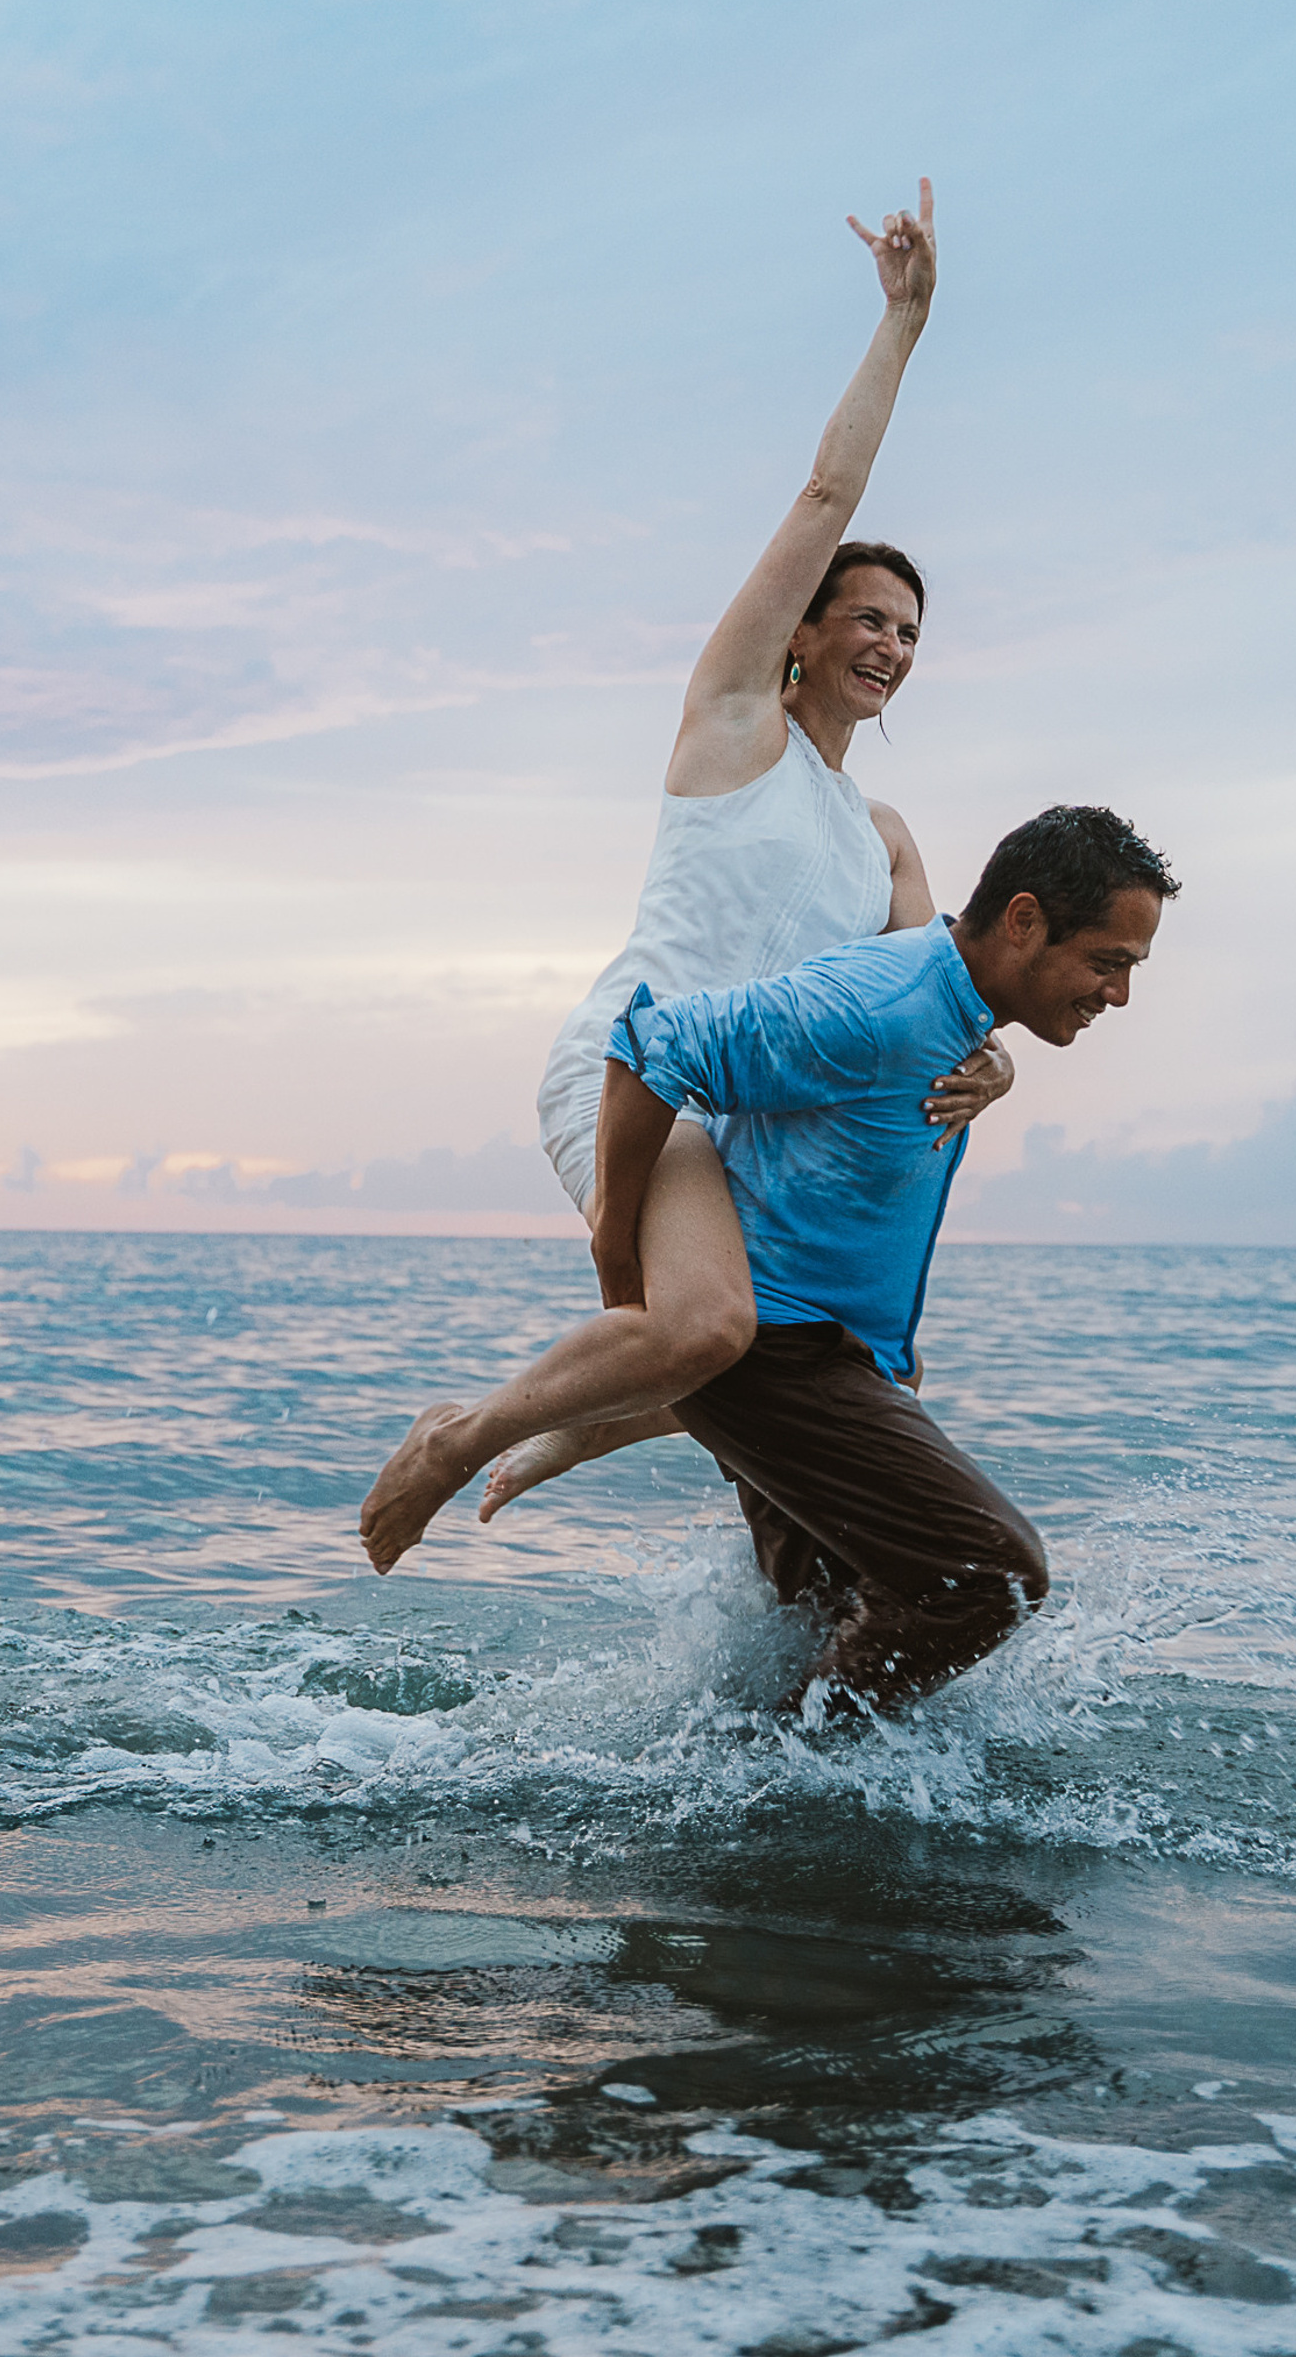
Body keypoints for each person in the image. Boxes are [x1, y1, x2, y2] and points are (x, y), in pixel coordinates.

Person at [357, 179, 1009, 1564]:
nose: (890, 645)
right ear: (799, 634)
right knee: (711, 1322)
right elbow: (827, 492)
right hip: (635, 1067)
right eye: (867, 617)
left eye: (910, 632)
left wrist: (993, 1066)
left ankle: (578, 1426)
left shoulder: (886, 835)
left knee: (832, 1356)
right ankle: (456, 1436)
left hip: (759, 1112)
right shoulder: (733, 726)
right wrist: (902, 324)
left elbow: (939, 998)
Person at [380, 806, 1180, 1713]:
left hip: (841, 1360)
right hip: (782, 1358)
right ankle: (792, 1758)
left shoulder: (955, 1014)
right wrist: (618, 1246)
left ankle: (757, 1767)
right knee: (987, 1579)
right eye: (1108, 962)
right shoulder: (880, 1006)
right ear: (1025, 920)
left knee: (827, 1618)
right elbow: (651, 1046)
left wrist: (1000, 1066)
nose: (1119, 994)